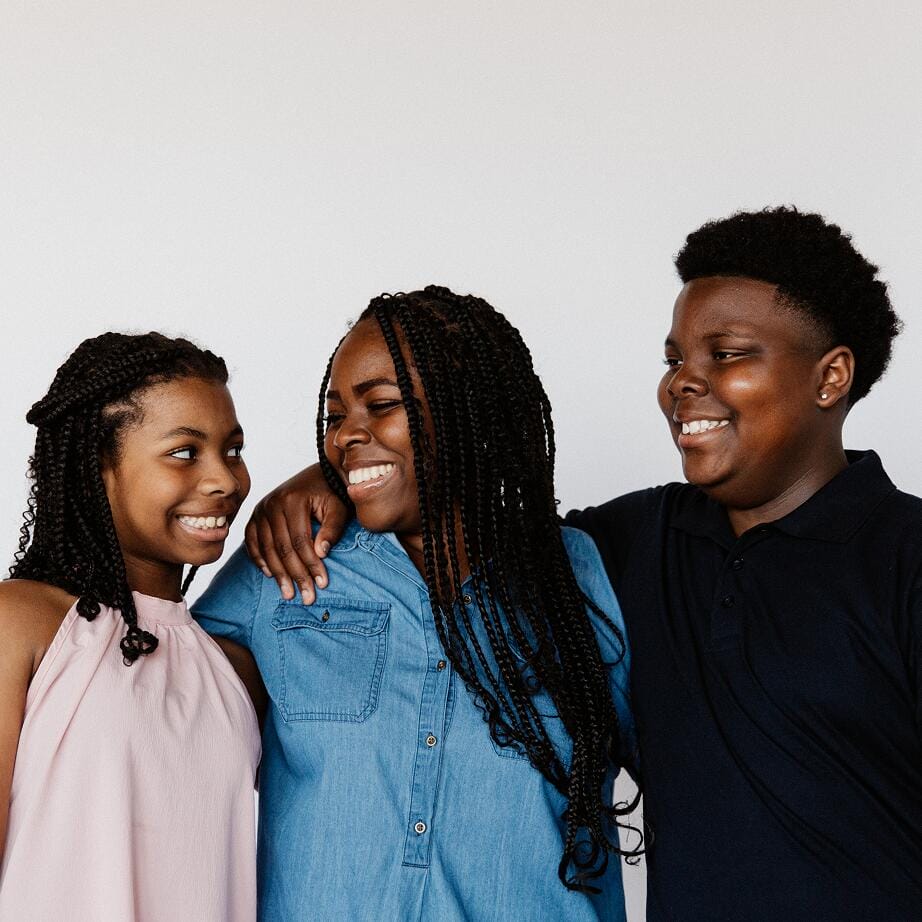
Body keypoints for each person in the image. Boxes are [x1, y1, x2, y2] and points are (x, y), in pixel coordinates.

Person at [246, 208, 922, 920]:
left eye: (726, 354)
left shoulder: (905, 558)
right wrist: (337, 472)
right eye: (674, 360)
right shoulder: (632, 544)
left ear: (831, 377)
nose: (682, 383)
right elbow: (463, 507)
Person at [194, 287, 638, 921]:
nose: (347, 434)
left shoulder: (587, 583)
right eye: (334, 417)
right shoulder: (288, 562)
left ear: (474, 413)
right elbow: (155, 726)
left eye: (380, 405)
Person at [0, 332, 263, 922]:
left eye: (234, 450)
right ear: (98, 464)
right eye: (185, 452)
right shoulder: (21, 624)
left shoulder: (234, 669)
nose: (226, 480)